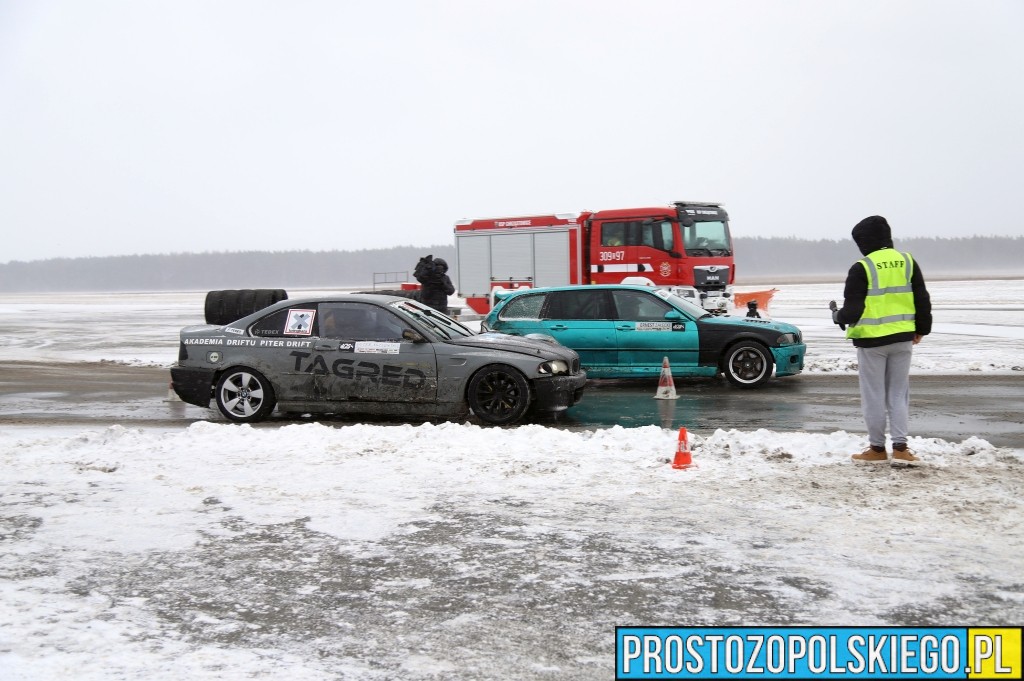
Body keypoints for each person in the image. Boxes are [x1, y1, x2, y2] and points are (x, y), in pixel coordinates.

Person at [831, 215, 932, 465]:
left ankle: (877, 449)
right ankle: (901, 449)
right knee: (899, 394)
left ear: (863, 241)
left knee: (874, 395)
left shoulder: (862, 267)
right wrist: (921, 329)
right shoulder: (908, 262)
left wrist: (836, 315)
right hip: (903, 339)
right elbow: (922, 299)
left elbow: (852, 311)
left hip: (872, 343)